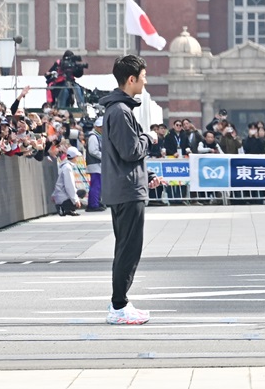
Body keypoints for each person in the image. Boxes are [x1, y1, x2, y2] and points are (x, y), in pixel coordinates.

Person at [100, 55, 165, 326]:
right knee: (129, 249)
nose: (145, 81)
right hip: (127, 191)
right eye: (143, 76)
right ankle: (118, 305)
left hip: (126, 186)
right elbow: (131, 151)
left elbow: (126, 154)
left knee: (126, 247)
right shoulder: (120, 112)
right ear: (131, 79)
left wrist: (147, 174)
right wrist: (148, 137)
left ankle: (121, 302)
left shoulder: (119, 110)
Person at [53, 146, 83, 216]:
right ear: (74, 157)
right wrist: (75, 200)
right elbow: (69, 186)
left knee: (81, 193)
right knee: (79, 197)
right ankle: (63, 207)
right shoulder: (67, 168)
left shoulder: (65, 166)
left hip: (60, 194)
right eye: (77, 157)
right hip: (62, 196)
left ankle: (69, 209)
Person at [85, 116, 105, 212]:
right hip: (95, 164)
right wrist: (104, 157)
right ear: (96, 127)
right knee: (96, 185)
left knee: (97, 185)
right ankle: (93, 204)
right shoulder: (93, 136)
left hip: (97, 164)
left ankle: (96, 202)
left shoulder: (97, 136)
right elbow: (93, 151)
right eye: (100, 127)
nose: (102, 129)